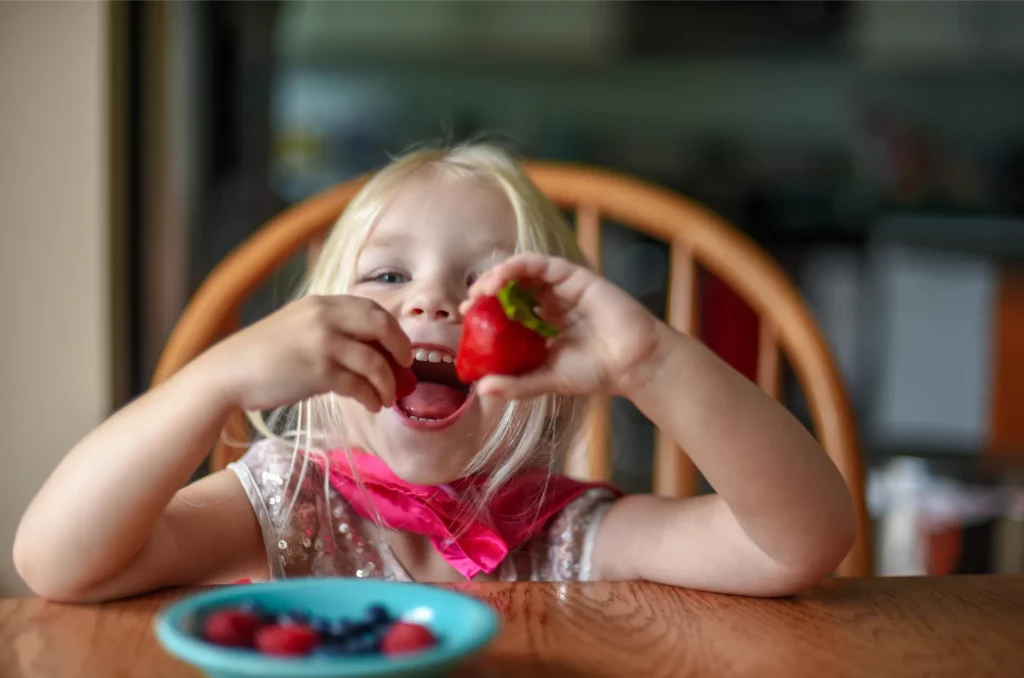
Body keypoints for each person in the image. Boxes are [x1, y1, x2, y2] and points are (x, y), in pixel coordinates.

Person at [13, 143, 856, 602]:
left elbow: (797, 545)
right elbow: (54, 563)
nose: (431, 305)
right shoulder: (285, 503)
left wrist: (652, 361)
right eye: (387, 277)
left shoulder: (566, 535)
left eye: (483, 285)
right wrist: (216, 380)